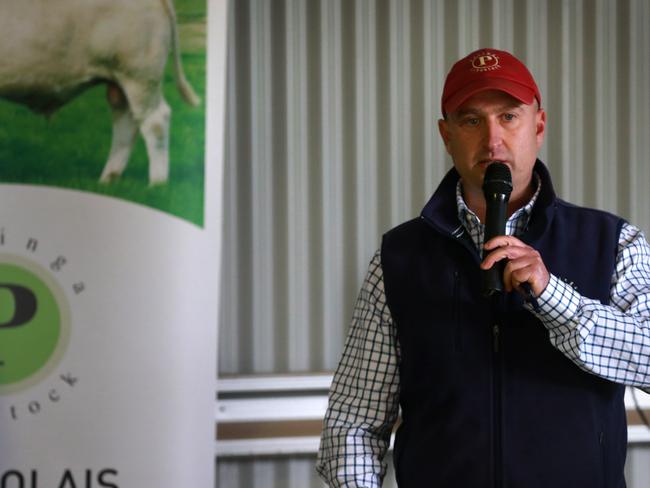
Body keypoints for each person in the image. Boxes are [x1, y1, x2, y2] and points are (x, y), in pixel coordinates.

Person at [316, 48, 650, 487]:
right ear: (446, 135)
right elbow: (353, 422)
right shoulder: (400, 258)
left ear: (539, 126)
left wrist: (553, 296)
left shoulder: (613, 242)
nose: (492, 140)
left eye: (509, 117)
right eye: (472, 120)